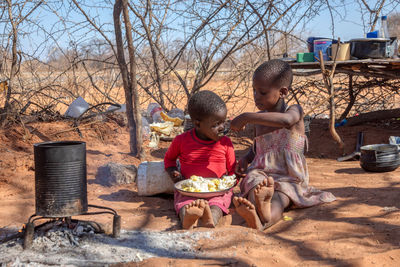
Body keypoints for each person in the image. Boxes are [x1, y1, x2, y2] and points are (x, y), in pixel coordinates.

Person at [230, 59, 336, 230]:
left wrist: (246, 117)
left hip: (289, 176)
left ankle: (265, 216)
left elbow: (286, 121)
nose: (256, 96)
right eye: (254, 91)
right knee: (252, 184)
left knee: (281, 198)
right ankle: (257, 211)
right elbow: (259, 147)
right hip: (261, 172)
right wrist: (245, 159)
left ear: (283, 92)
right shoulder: (259, 118)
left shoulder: (294, 111)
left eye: (262, 92)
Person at [164, 90, 236, 230]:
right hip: (189, 190)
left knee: (217, 205)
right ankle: (188, 219)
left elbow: (232, 172)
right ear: (197, 124)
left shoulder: (226, 143)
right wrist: (174, 173)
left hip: (218, 191)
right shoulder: (181, 141)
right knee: (185, 204)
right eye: (216, 125)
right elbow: (169, 160)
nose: (222, 128)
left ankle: (211, 219)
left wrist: (233, 179)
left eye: (223, 122)